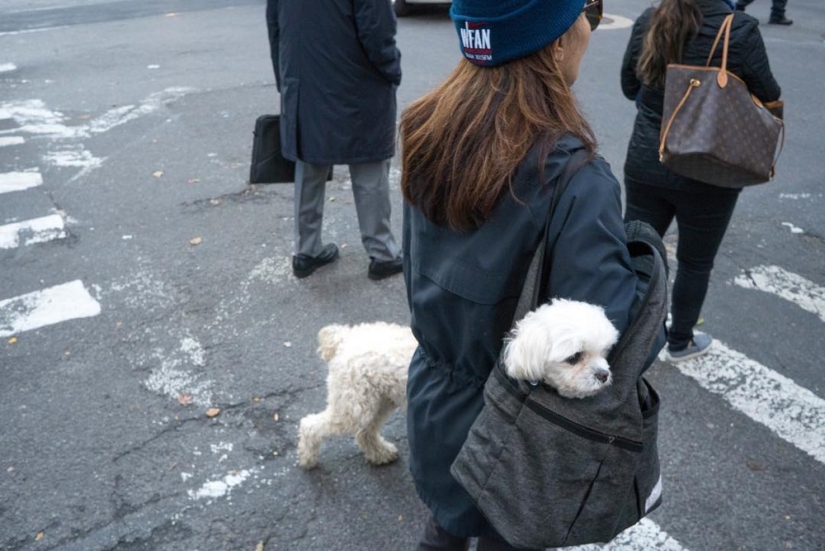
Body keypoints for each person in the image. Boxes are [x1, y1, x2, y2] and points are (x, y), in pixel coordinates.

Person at [399, 0, 644, 548]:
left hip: (437, 402)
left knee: (445, 523)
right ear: (556, 41)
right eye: (589, 10)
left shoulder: (428, 128)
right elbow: (603, 340)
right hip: (516, 432)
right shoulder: (575, 178)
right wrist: (648, 273)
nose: (591, 24)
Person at [620, 0, 781, 361]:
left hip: (648, 156)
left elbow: (630, 87)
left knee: (635, 251)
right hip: (710, 168)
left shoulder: (650, 18)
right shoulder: (737, 28)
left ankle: (623, 333)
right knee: (695, 263)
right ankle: (680, 341)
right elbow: (768, 93)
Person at [265, 0, 405, 280]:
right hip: (357, 82)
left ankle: (306, 251)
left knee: (309, 163)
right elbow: (377, 31)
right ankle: (383, 253)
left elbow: (275, 26)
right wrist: (392, 70)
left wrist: (286, 81)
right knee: (369, 164)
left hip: (303, 82)